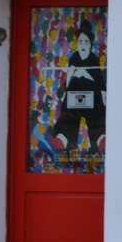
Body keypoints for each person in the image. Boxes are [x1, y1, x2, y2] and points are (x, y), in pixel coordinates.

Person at [49, 20, 106, 158]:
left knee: (96, 117)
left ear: (90, 44)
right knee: (69, 117)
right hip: (75, 96)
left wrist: (84, 73)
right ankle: (62, 139)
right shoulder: (74, 58)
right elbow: (68, 81)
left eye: (86, 42)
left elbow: (99, 81)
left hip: (92, 97)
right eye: (81, 42)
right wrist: (74, 73)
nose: (83, 45)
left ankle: (101, 139)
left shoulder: (93, 59)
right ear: (77, 44)